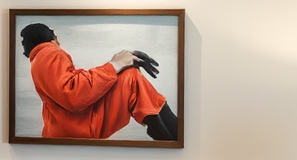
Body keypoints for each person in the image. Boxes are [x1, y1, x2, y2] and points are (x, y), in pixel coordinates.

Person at [20, 23, 179, 141]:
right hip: (76, 127)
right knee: (131, 78)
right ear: (53, 35)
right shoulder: (49, 52)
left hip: (70, 125)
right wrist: (115, 65)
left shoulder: (41, 58)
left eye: (22, 41)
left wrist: (119, 64)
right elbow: (72, 93)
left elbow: (71, 84)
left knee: (129, 75)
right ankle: (170, 138)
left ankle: (168, 135)